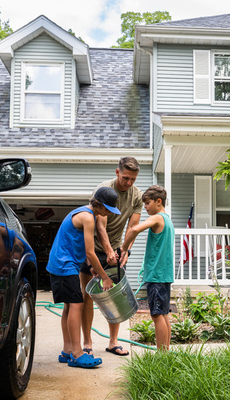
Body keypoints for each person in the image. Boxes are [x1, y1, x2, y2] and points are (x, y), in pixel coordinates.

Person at [47, 187, 121, 368]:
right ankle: (77, 353)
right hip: (66, 265)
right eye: (108, 210)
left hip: (59, 263)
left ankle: (67, 350)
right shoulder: (89, 217)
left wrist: (90, 267)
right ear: (100, 205)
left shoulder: (81, 212)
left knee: (69, 306)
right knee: (77, 305)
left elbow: (79, 245)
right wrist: (104, 277)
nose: (109, 214)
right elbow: (90, 251)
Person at [80, 156, 143, 357]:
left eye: (133, 179)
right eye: (125, 178)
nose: (129, 183)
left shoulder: (136, 196)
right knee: (87, 295)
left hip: (116, 247)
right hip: (92, 247)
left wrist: (125, 250)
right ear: (117, 172)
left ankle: (113, 342)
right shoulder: (104, 190)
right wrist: (107, 251)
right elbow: (100, 225)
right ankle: (87, 342)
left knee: (115, 297)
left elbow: (132, 228)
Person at [120, 185, 175, 351]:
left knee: (157, 315)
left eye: (147, 203)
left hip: (156, 275)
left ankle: (161, 355)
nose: (145, 207)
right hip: (164, 274)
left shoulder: (158, 218)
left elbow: (134, 228)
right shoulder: (167, 219)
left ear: (158, 202)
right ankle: (165, 353)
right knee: (163, 314)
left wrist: (124, 249)